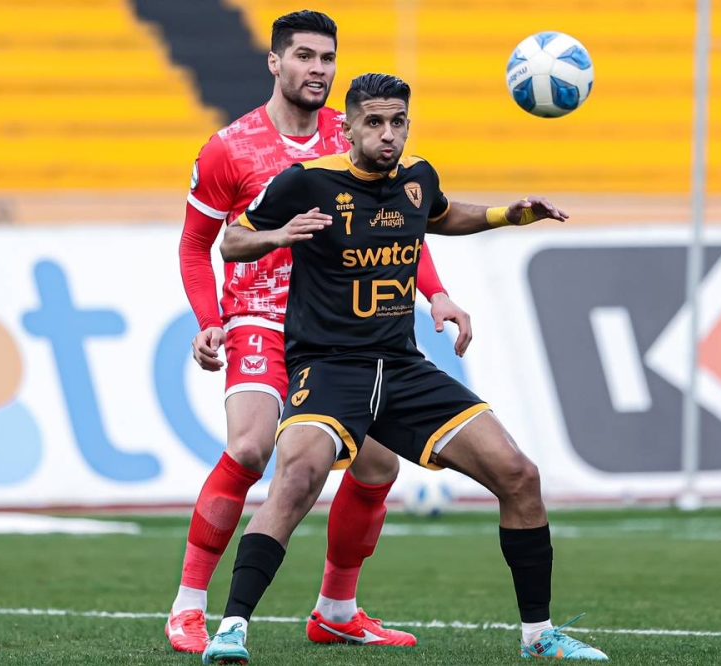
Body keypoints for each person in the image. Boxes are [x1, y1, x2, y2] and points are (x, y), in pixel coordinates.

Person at [201, 73, 609, 664]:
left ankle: (539, 636)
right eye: (374, 122)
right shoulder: (307, 181)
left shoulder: (418, 178)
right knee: (297, 478)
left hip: (401, 368)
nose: (388, 134)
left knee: (519, 475)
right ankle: (232, 629)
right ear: (347, 128)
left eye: (397, 122)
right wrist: (280, 235)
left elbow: (440, 216)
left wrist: (507, 214)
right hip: (329, 367)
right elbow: (231, 241)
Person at [170, 10, 474, 653]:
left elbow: (400, 224)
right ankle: (189, 606)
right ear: (274, 62)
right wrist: (209, 322)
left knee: (378, 466)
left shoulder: (356, 130)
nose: (318, 69)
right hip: (263, 317)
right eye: (304, 56)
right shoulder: (230, 147)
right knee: (250, 449)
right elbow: (198, 245)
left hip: (341, 331)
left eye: (327, 58)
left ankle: (336, 609)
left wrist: (437, 292)